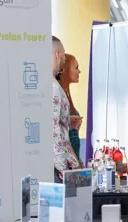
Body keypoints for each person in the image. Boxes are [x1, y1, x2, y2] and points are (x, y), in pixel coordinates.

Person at [51, 36, 81, 183]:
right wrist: (68, 166)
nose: (64, 59)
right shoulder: (53, 88)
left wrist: (67, 120)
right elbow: (54, 128)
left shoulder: (46, 84)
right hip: (59, 168)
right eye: (63, 54)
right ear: (57, 54)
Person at [57, 54, 83, 164]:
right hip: (68, 162)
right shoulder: (58, 96)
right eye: (76, 68)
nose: (79, 72)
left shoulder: (66, 96)